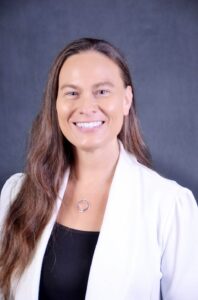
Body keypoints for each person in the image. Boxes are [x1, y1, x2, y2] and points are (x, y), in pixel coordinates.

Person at [0, 37, 198, 300]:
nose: (86, 107)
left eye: (102, 91)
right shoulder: (17, 193)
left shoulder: (169, 205)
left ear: (127, 100)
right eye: (72, 92)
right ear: (56, 104)